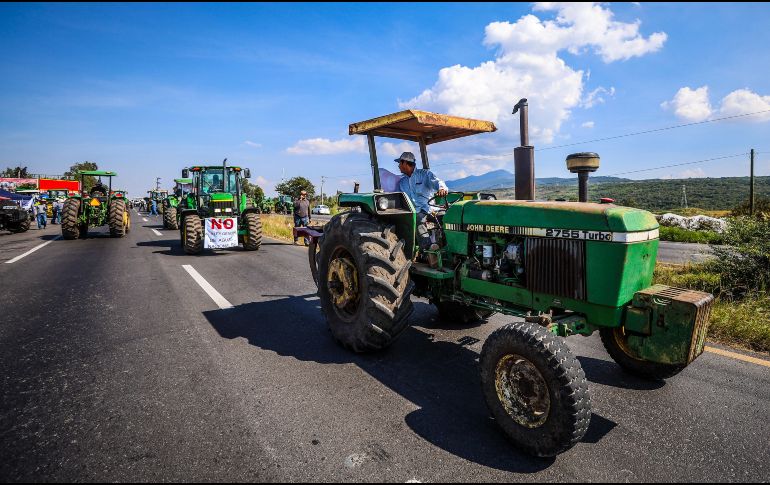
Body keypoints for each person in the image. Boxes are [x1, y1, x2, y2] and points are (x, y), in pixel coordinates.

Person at [395, 151, 448, 252]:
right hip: (417, 212)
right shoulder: (402, 182)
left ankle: (447, 246)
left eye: (399, 163)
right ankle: (429, 250)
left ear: (405, 163)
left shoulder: (425, 174)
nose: (398, 166)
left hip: (431, 209)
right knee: (418, 218)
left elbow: (438, 182)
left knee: (448, 217)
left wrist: (442, 189)